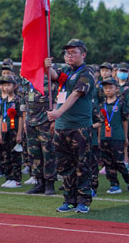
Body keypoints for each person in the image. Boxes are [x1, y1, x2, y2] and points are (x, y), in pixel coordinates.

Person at [46, 39, 96, 214]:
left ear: (83, 54)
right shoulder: (67, 71)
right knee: (64, 166)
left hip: (79, 127)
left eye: (73, 52)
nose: (69, 56)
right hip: (62, 127)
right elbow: (54, 76)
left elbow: (76, 94)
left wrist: (58, 112)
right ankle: (69, 199)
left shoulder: (87, 73)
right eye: (67, 53)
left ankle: (83, 200)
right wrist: (47, 66)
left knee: (82, 165)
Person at [99, 79, 129, 194]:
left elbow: (125, 120)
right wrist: (99, 137)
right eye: (105, 88)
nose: (108, 90)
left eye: (110, 87)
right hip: (104, 136)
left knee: (119, 161)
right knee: (108, 162)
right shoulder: (102, 104)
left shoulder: (121, 103)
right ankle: (114, 185)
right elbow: (100, 122)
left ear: (116, 89)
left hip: (117, 136)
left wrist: (125, 137)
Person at [22, 74, 57, 196]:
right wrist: (25, 121)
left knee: (48, 153)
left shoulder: (49, 78)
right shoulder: (27, 81)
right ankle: (39, 182)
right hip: (30, 122)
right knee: (34, 153)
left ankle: (49, 183)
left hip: (45, 121)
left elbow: (56, 101)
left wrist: (54, 121)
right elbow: (24, 103)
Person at [0, 75, 23, 189]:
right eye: (4, 85)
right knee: (6, 154)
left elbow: (21, 117)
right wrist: (0, 133)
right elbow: (1, 117)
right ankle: (9, 177)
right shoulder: (3, 101)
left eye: (8, 85)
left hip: (14, 130)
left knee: (15, 155)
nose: (6, 87)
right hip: (4, 129)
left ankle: (17, 179)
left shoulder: (18, 100)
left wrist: (19, 133)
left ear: (15, 86)